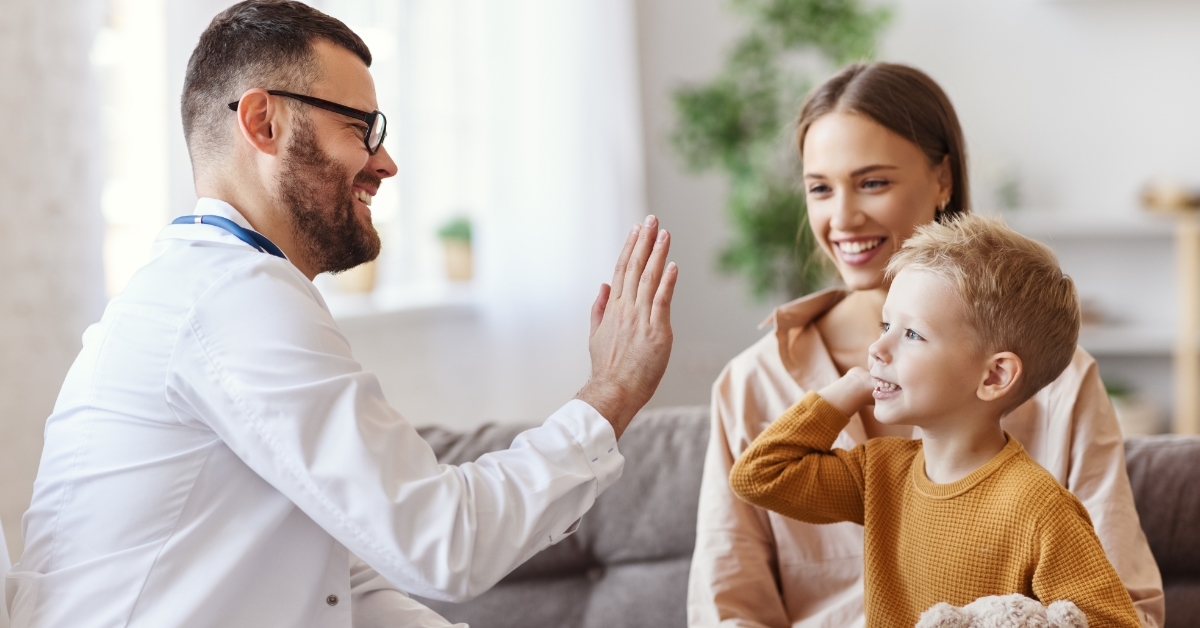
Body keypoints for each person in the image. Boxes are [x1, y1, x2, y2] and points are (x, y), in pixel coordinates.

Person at [7, 2, 678, 626]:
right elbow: (445, 543)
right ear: (264, 123)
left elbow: (340, 581)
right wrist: (610, 393)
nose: (384, 162)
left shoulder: (216, 288)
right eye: (360, 129)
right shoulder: (231, 298)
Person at [687, 62, 1164, 628]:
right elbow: (728, 608)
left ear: (942, 180)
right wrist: (847, 391)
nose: (842, 217)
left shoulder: (1058, 386)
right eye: (819, 188)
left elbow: (1121, 606)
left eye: (873, 182)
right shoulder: (753, 387)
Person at [730, 214, 1139, 628]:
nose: (877, 348)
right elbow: (759, 475)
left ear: (994, 376)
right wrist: (845, 391)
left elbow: (1114, 622)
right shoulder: (880, 473)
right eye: (887, 325)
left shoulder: (1041, 509)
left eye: (912, 335)